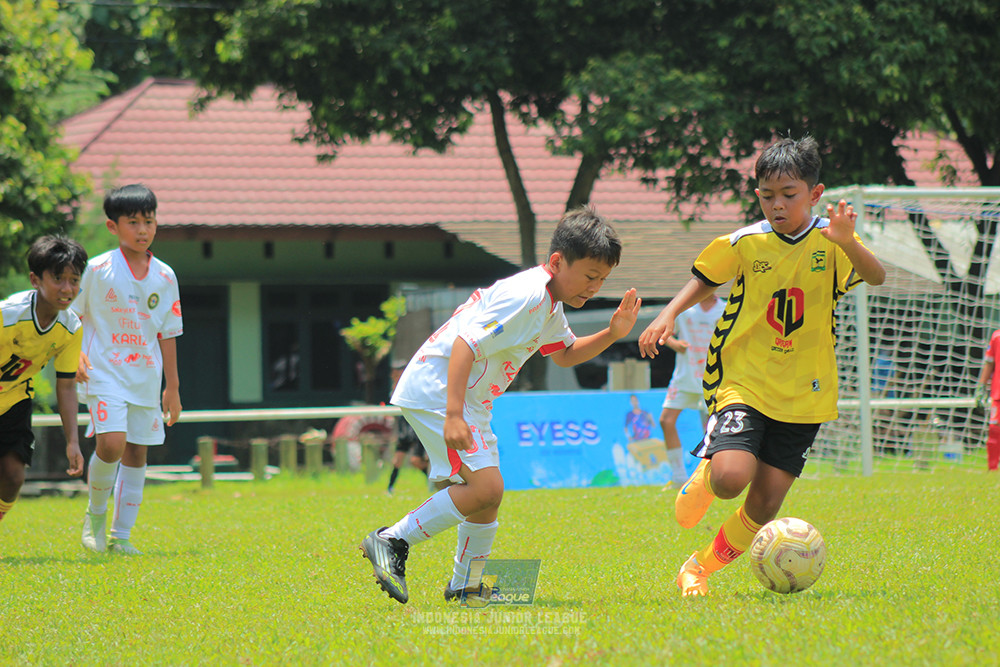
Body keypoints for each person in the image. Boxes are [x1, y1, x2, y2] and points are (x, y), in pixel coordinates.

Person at [638, 136, 885, 597]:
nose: (777, 204)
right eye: (767, 195)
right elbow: (703, 278)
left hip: (807, 394)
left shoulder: (834, 244)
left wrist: (849, 242)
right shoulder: (745, 242)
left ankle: (698, 568)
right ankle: (710, 469)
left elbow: (876, 277)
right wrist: (666, 314)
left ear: (815, 194)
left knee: (765, 503)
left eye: (789, 195)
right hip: (743, 380)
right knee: (732, 478)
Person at [360, 204, 640, 604]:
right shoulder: (526, 297)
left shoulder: (550, 302)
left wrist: (613, 333)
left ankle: (466, 585)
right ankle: (391, 540)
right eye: (590, 276)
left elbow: (563, 353)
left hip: (468, 399)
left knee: (488, 497)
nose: (595, 286)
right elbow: (464, 344)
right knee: (486, 487)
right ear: (558, 261)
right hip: (440, 388)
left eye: (603, 279)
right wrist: (453, 414)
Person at [76, 183, 184, 555]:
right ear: (113, 226)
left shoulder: (166, 276)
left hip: (146, 377)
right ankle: (94, 518)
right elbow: (70, 316)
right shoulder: (97, 269)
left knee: (137, 453)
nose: (142, 229)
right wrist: (73, 356)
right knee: (111, 444)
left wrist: (172, 387)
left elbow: (168, 332)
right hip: (104, 372)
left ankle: (121, 538)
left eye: (149, 221)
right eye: (133, 222)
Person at [0, 236, 89, 529]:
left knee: (13, 476)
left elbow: (65, 386)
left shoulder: (71, 327)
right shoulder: (7, 316)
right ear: (35, 279)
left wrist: (73, 441)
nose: (67, 288)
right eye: (58, 279)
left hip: (13, 400)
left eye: (74, 280)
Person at [658, 294, 726, 486]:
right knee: (666, 420)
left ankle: (707, 478)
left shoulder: (725, 309)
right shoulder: (683, 307)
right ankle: (679, 476)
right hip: (684, 376)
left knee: (710, 429)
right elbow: (664, 331)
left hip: (713, 379)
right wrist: (673, 343)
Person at [386, 361, 428, 494]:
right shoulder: (394, 389)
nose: (394, 376)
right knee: (397, 460)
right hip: (403, 430)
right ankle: (390, 489)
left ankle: (434, 481)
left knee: (416, 460)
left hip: (415, 429)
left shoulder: (412, 387)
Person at [975, 329, 1000, 471]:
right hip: (998, 393)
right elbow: (989, 363)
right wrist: (981, 386)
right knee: (994, 429)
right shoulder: (997, 336)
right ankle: (993, 469)